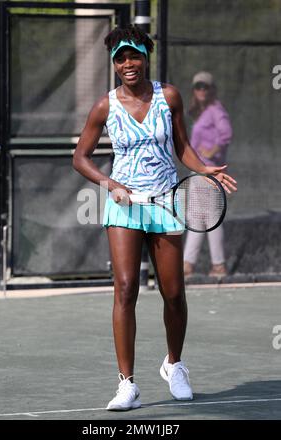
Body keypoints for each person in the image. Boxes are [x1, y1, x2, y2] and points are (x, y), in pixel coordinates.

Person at [73, 25, 237, 411]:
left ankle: (174, 365)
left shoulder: (170, 96)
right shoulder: (105, 106)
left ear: (146, 57)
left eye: (134, 55)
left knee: (174, 293)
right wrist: (108, 182)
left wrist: (205, 169)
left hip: (166, 201)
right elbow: (80, 158)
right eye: (120, 58)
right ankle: (127, 384)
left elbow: (183, 146)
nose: (128, 63)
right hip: (123, 204)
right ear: (114, 64)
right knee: (126, 288)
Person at [183, 72, 233, 278]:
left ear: (212, 90)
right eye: (198, 87)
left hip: (211, 173)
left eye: (205, 87)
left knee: (211, 217)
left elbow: (226, 134)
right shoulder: (202, 113)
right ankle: (188, 264)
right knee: (196, 218)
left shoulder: (216, 110)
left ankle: (218, 266)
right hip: (197, 173)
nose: (201, 90)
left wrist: (212, 151)